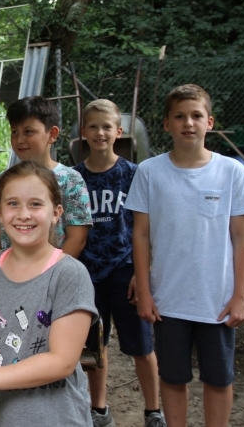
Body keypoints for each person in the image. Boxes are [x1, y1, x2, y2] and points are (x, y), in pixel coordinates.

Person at [125, 84, 244, 427]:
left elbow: (243, 235)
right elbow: (140, 234)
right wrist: (144, 290)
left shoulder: (232, 172)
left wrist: (240, 296)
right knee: (173, 377)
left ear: (209, 122)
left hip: (218, 300)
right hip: (168, 300)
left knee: (218, 379)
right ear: (167, 124)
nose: (189, 123)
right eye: (180, 116)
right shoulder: (150, 172)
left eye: (196, 115)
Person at [0, 161, 98, 427]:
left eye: (35, 204)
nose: (23, 214)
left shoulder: (69, 274)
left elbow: (62, 361)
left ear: (56, 213)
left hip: (56, 419)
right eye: (12, 204)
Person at [73, 100, 165, 427]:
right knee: (94, 344)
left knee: (140, 344)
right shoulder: (75, 177)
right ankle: (99, 409)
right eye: (93, 126)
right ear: (83, 132)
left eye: (107, 126)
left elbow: (147, 227)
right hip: (87, 273)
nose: (100, 132)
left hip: (125, 270)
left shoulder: (133, 174)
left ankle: (154, 410)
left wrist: (143, 273)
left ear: (119, 132)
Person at [0, 96, 92, 255]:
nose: (19, 140)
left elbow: (77, 238)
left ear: (52, 134)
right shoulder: (1, 181)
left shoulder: (71, 180)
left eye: (28, 132)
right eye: (14, 132)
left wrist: (50, 273)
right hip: (7, 271)